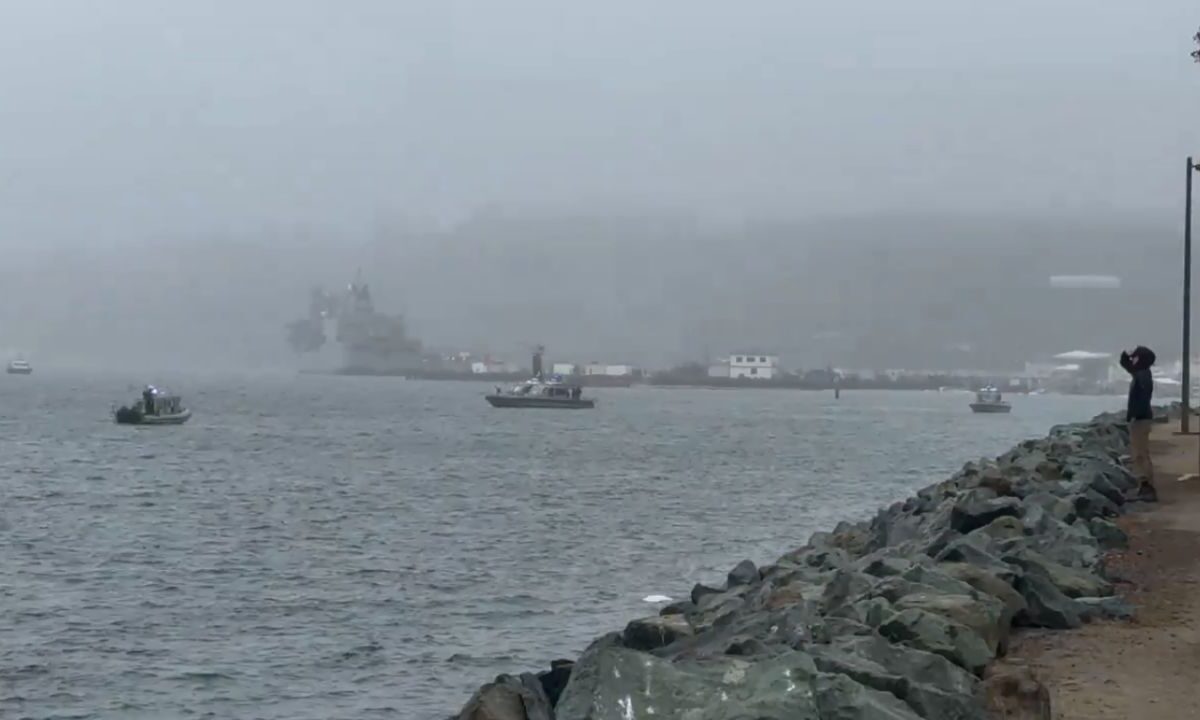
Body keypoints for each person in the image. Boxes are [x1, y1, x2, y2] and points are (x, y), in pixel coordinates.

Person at [1119, 345, 1156, 501]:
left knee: (1140, 453)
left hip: (1140, 419)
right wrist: (1125, 357)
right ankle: (1145, 486)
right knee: (1141, 452)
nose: (1133, 359)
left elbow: (1142, 399)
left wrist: (1135, 415)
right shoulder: (1142, 373)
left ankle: (1146, 487)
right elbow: (1128, 366)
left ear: (1141, 359)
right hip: (1142, 418)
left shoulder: (1142, 376)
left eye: (1135, 357)